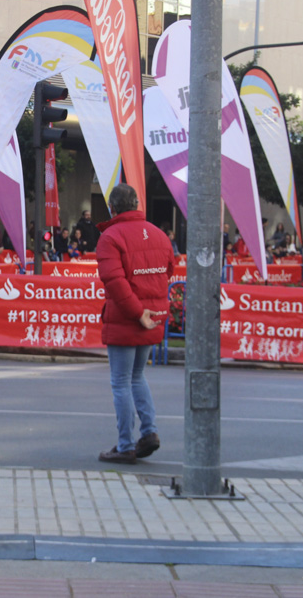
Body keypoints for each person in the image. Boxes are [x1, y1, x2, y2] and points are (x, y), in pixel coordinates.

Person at [94, 183, 174, 464]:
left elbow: (115, 283)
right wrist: (147, 313)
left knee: (121, 382)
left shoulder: (110, 237)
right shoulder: (160, 235)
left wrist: (137, 312)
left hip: (128, 318)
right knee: (138, 377)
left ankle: (125, 444)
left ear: (112, 208)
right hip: (153, 317)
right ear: (138, 203)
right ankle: (149, 432)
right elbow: (167, 272)